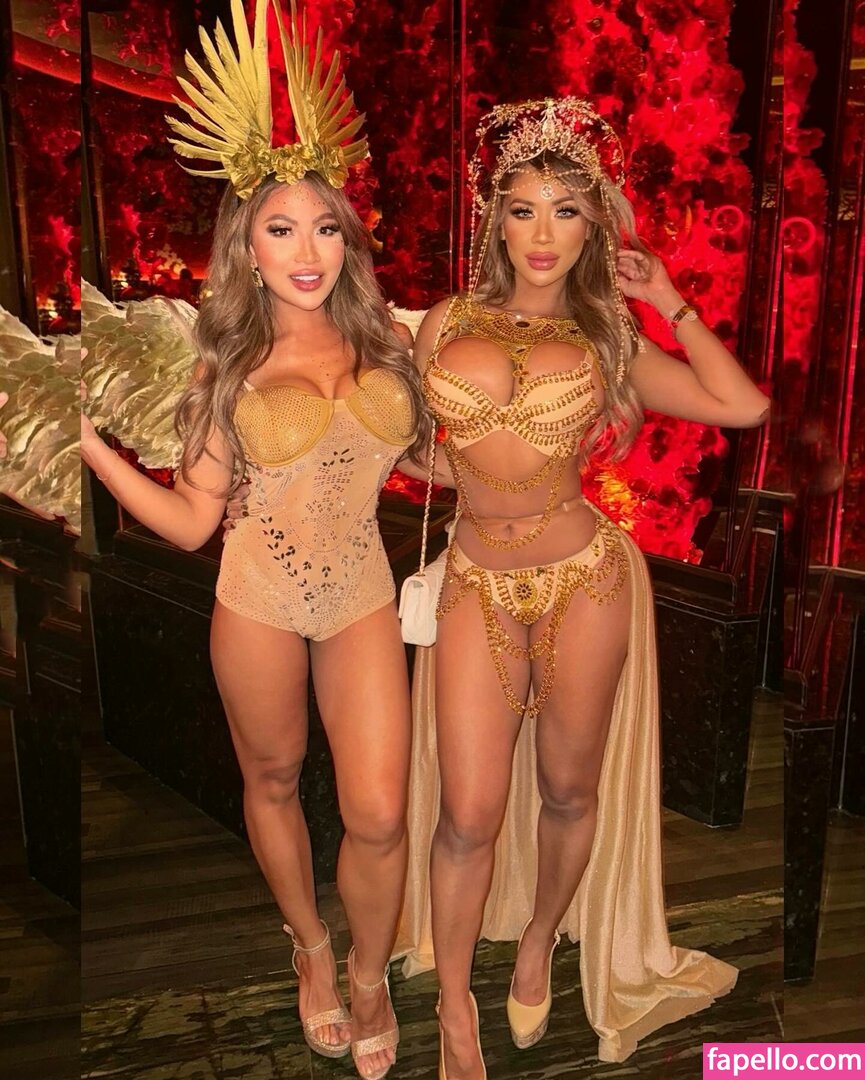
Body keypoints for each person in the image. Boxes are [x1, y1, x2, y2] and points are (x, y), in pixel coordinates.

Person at [79, 4, 433, 1078]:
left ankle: (368, 971)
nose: (307, 251)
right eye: (281, 230)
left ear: (348, 238)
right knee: (272, 782)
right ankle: (312, 951)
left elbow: (439, 463)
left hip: (362, 591)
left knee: (379, 812)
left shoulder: (394, 340)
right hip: (258, 598)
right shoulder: (221, 365)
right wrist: (93, 450)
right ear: (247, 244)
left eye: (325, 227)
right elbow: (193, 519)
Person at [397, 98, 770, 1079]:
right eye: (522, 209)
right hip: (476, 580)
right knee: (467, 813)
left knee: (568, 791)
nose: (542, 233)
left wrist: (668, 297)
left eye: (565, 211)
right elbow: (419, 454)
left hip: (585, 581)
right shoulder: (443, 322)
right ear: (495, 222)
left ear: (593, 227)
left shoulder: (609, 340)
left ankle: (537, 944)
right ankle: (452, 1006)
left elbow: (741, 405)